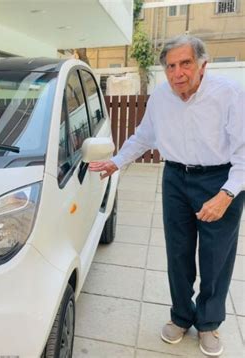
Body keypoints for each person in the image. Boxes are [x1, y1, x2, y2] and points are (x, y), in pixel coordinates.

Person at [90, 35, 243, 357]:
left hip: (220, 178)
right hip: (175, 177)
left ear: (203, 64)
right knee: (178, 253)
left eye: (185, 63)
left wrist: (227, 193)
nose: (177, 73)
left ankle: (209, 323)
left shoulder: (230, 94)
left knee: (216, 258)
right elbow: (144, 136)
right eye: (171, 66)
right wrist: (117, 162)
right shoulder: (161, 97)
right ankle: (180, 316)